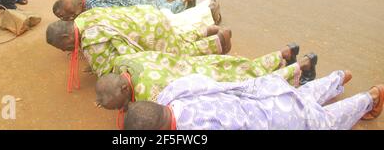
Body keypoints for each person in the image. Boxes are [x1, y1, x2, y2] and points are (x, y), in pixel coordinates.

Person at [123, 71, 384, 130]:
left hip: (280, 118)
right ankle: (339, 77)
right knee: (303, 95)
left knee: (325, 122)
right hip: (264, 90)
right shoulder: (174, 91)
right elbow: (211, 82)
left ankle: (370, 97)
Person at [96, 46, 317, 111]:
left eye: (107, 101)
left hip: (202, 81)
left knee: (247, 84)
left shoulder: (147, 96)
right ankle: (284, 52)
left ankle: (302, 64)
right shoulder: (124, 61)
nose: (103, 104)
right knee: (245, 67)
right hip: (194, 65)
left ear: (125, 89)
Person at [45, 5, 232, 77]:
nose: (64, 51)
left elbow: (108, 69)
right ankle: (206, 30)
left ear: (65, 37)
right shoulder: (84, 17)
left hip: (148, 33)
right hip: (147, 16)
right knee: (175, 40)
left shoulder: (89, 39)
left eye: (62, 47)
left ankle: (218, 42)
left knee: (176, 55)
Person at [55, 0, 197, 21]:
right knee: (152, 2)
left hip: (129, 3)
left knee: (158, 11)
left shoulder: (94, 8)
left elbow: (115, 15)